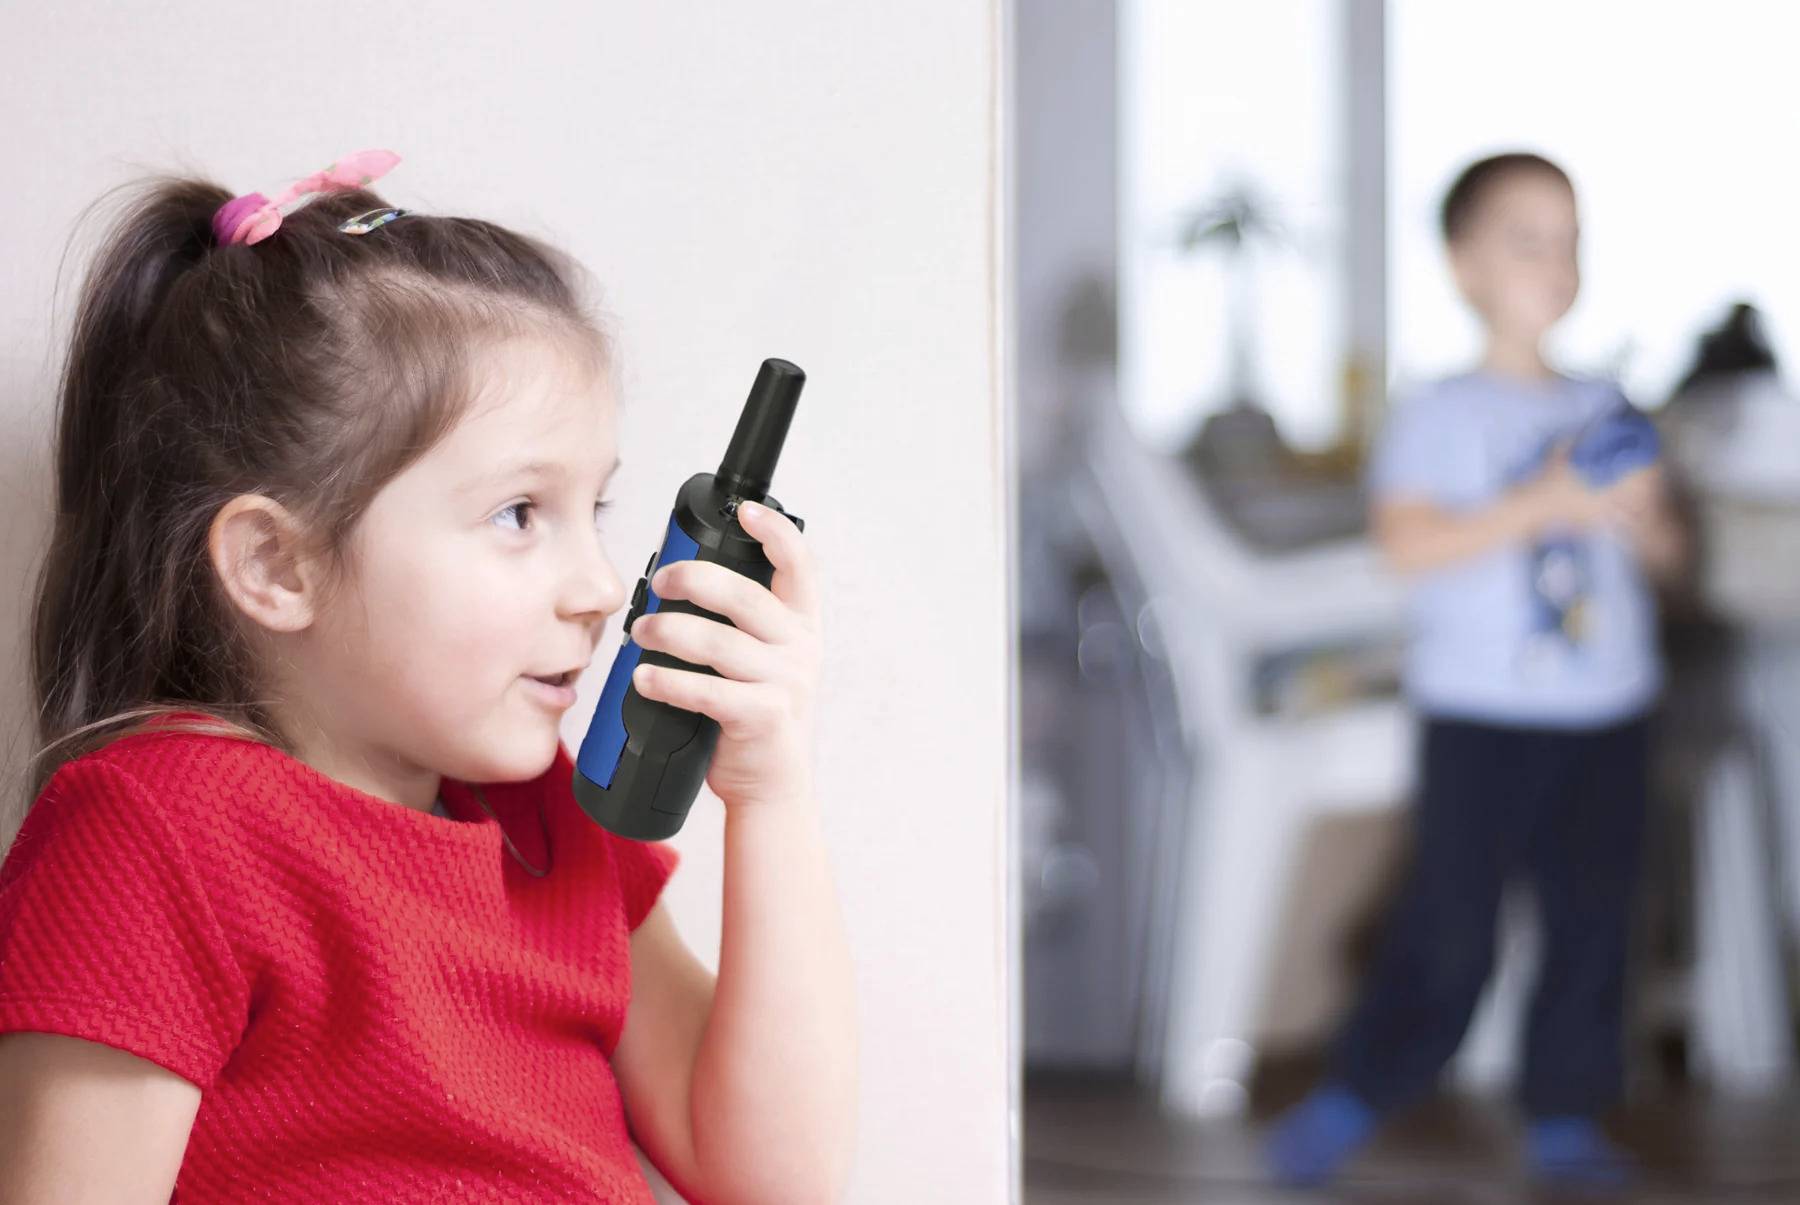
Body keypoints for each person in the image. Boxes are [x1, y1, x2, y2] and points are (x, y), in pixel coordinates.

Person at [0, 149, 857, 1203]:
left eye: (591, 511)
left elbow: (780, 1175)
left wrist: (771, 794)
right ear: (277, 564)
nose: (597, 587)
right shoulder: (155, 833)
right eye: (517, 514)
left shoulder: (553, 826)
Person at [1265, 151, 1686, 1189]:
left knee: (1594, 923)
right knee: (1451, 929)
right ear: (1463, 265)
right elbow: (1406, 546)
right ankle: (1359, 1087)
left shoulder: (1608, 403)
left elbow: (1673, 556)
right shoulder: (1438, 413)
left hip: (1607, 711)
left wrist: (1638, 518)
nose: (1556, 261)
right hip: (1481, 716)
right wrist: (1544, 501)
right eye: (1527, 239)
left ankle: (1564, 1114)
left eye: (1571, 240)